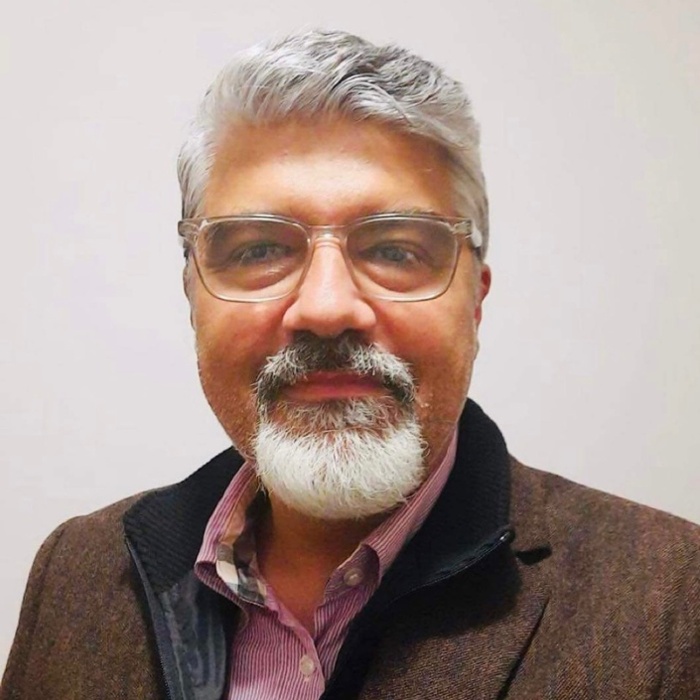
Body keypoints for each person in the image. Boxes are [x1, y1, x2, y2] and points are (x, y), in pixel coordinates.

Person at [2, 29, 699, 700]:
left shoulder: (672, 599)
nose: (327, 307)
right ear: (193, 297)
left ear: (475, 302)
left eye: (395, 249)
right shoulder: (79, 572)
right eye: (258, 250)